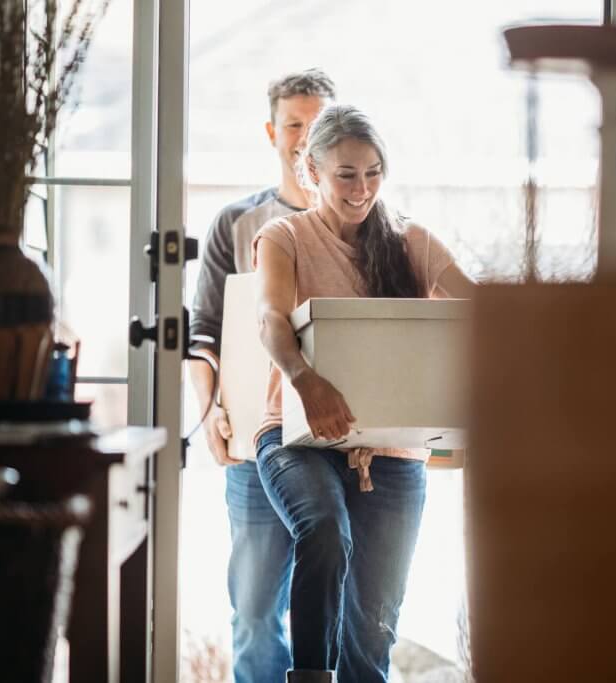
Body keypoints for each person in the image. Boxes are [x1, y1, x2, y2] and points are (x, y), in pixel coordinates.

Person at [252, 104, 476, 683]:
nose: (362, 187)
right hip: (296, 437)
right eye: (346, 174)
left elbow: (480, 312)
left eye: (373, 172)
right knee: (324, 530)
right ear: (312, 173)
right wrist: (307, 380)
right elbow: (270, 319)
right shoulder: (285, 236)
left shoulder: (412, 241)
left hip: (395, 453)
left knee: (373, 627)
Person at [187, 68, 336, 683]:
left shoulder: (360, 223)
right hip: (253, 447)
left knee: (336, 611)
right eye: (293, 124)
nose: (304, 137)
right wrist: (212, 412)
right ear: (272, 132)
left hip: (337, 446)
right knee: (253, 611)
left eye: (316, 123)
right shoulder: (235, 223)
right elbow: (202, 334)